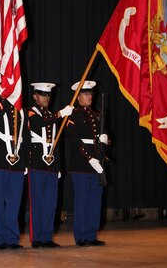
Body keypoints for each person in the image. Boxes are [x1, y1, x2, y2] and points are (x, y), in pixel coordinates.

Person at [27, 82, 74, 248]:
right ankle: (37, 238)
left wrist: (59, 166)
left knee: (50, 204)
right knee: (38, 203)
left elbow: (56, 142)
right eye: (42, 94)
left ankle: (47, 237)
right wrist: (61, 113)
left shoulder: (53, 116)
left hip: (52, 165)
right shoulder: (31, 113)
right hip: (37, 164)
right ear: (35, 96)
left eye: (48, 95)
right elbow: (39, 123)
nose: (46, 98)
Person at [0, 73, 30, 250]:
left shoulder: (21, 111)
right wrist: (7, 100)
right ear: (0, 89)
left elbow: (26, 138)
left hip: (17, 160)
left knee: (14, 201)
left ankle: (12, 238)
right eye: (6, 87)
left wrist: (26, 162)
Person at [65, 80, 110, 247]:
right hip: (81, 165)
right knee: (82, 201)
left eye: (91, 93)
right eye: (86, 94)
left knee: (95, 201)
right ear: (78, 97)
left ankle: (92, 234)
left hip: (98, 163)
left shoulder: (97, 115)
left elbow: (104, 135)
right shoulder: (73, 115)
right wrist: (89, 158)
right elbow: (74, 140)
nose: (90, 96)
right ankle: (81, 236)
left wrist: (105, 139)